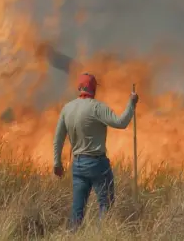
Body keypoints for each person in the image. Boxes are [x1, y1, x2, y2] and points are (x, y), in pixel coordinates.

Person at [52, 72, 138, 231]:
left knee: (77, 210)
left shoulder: (67, 109)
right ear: (93, 89)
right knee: (106, 204)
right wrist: (131, 104)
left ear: (79, 87)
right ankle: (102, 235)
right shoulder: (97, 107)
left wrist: (57, 163)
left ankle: (72, 235)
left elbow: (58, 139)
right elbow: (121, 123)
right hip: (97, 165)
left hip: (77, 165)